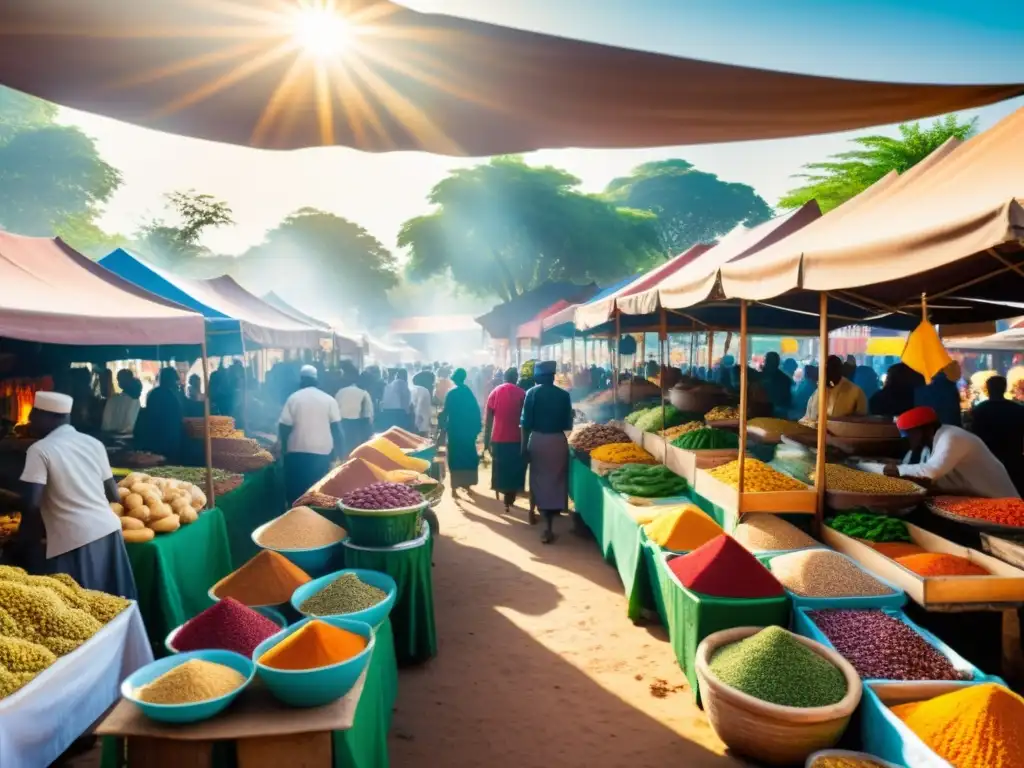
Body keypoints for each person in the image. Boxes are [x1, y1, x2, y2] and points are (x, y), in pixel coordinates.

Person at [11, 392, 137, 598]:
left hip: (74, 539)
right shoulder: (93, 443)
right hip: (110, 532)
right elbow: (114, 493)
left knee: (81, 607)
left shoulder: (40, 449)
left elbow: (31, 503)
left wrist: (24, 540)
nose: (30, 421)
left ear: (50, 417)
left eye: (34, 415)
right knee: (115, 604)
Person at [875, 406, 1019, 498]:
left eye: (910, 434)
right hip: (973, 498)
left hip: (1000, 502)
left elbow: (931, 472)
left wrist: (891, 469)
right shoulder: (929, 444)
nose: (908, 439)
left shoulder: (952, 437)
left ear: (927, 430)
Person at [521, 361, 573, 544]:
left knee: (537, 478)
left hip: (538, 441)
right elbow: (568, 425)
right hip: (558, 441)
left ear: (537, 377)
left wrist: (523, 448)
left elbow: (525, 425)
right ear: (552, 376)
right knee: (556, 481)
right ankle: (549, 523)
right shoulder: (564, 395)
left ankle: (535, 514)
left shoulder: (531, 394)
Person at [278, 365, 343, 504]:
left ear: (301, 380)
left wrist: (283, 449)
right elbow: (337, 429)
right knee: (317, 492)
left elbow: (284, 426)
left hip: (296, 452)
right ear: (316, 380)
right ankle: (315, 518)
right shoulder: (329, 399)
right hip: (322, 453)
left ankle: (295, 516)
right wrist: (340, 454)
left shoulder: (293, 398)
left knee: (296, 492)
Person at [484, 367, 528, 515]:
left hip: (498, 438)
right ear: (516, 378)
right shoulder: (522, 393)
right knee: (515, 470)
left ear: (504, 377)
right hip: (517, 439)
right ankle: (511, 497)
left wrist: (486, 440)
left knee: (500, 469)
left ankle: (503, 496)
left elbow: (488, 419)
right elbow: (525, 420)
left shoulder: (495, 392)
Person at [971, 376, 1024, 492]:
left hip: (988, 458)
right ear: (1004, 388)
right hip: (1013, 458)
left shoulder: (979, 410)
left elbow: (974, 436)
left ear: (988, 389)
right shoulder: (1018, 409)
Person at [438, 368, 482, 496]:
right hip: (468, 431)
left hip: (455, 430)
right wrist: (477, 429)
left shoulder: (451, 393)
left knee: (455, 457)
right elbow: (476, 412)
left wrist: (441, 427)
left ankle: (454, 487)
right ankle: (467, 484)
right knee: (468, 457)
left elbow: (445, 411)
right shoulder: (468, 392)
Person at [134, 367, 184, 462]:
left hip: (153, 438)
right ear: (171, 379)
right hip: (168, 438)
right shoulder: (171, 396)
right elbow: (177, 417)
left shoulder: (153, 393)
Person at [802, 355, 867, 424]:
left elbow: (861, 423)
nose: (827, 374)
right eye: (824, 371)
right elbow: (807, 418)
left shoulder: (856, 392)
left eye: (831, 370)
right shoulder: (817, 393)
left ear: (839, 370)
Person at [335, 370, 374, 457]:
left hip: (340, 425)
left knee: (343, 453)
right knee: (354, 454)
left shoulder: (341, 391)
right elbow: (367, 416)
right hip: (356, 427)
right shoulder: (364, 394)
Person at [914, 360, 963, 427]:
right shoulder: (950, 389)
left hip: (927, 430)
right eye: (959, 369)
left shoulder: (920, 390)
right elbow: (954, 418)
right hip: (948, 429)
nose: (961, 372)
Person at [101, 370, 142, 435]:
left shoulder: (112, 400)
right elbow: (131, 425)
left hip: (109, 438)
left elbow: (105, 425)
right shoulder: (134, 402)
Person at [760, 351, 793, 418]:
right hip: (771, 414)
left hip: (771, 415)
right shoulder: (785, 379)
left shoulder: (760, 376)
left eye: (767, 361)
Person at [410, 371, 434, 437]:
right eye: (432, 382)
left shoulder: (412, 389)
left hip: (412, 426)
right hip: (421, 427)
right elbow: (421, 410)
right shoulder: (424, 391)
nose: (433, 385)